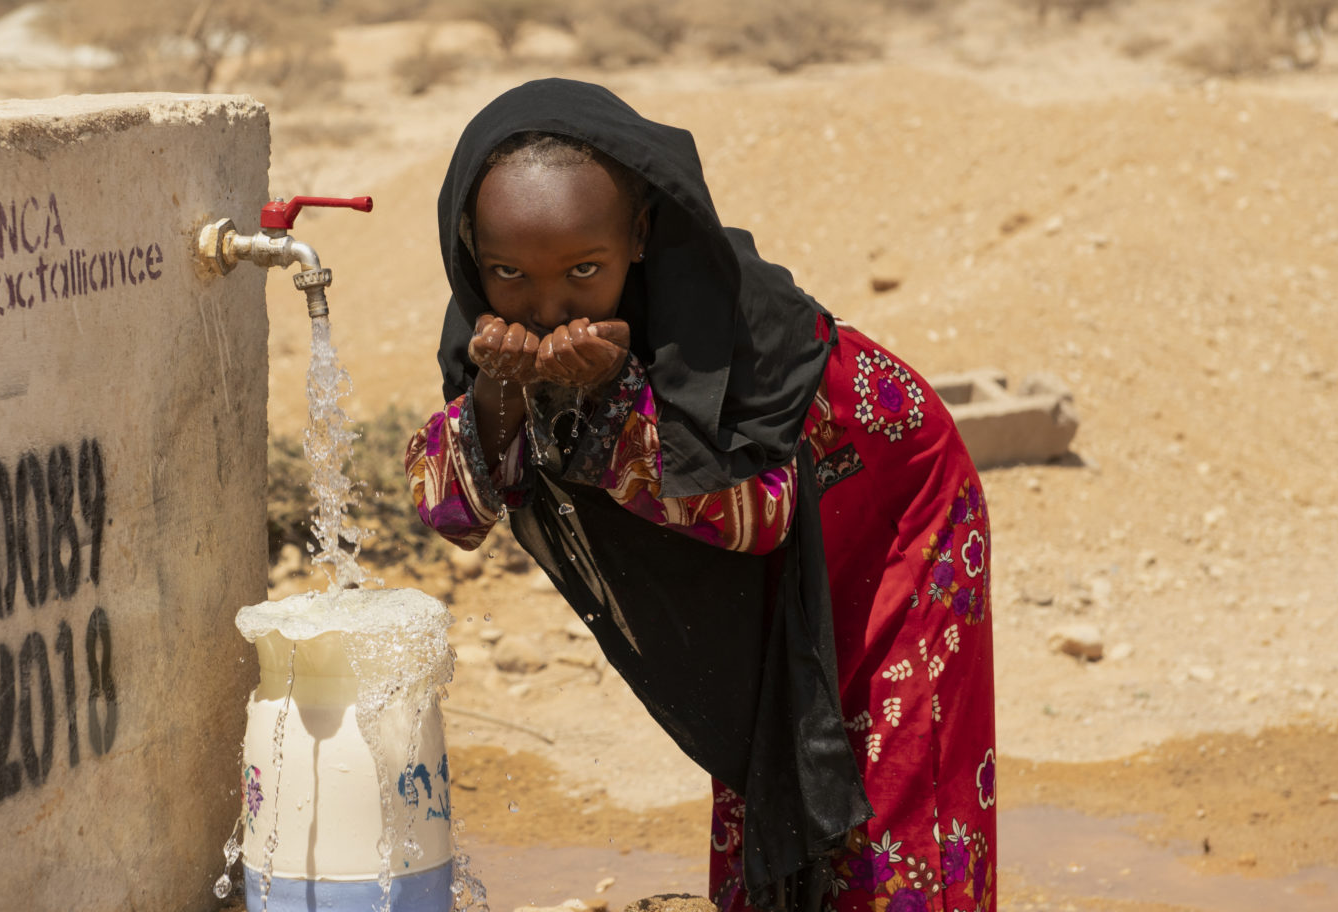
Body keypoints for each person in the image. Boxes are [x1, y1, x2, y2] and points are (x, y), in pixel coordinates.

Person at [404, 79, 997, 912]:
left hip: (897, 510)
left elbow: (755, 518)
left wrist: (619, 401)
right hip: (792, 558)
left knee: (895, 784)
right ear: (471, 248)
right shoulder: (492, 332)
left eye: (584, 270)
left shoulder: (728, 326)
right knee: (769, 763)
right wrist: (499, 396)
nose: (548, 307)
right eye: (509, 273)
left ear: (638, 235)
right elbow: (450, 511)